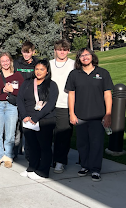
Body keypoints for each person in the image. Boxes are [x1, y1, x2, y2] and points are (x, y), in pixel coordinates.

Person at [66, 48, 113, 182]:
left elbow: (107, 94)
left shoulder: (102, 73)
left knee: (96, 143)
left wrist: (108, 113)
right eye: (82, 55)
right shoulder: (74, 74)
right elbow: (71, 94)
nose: (85, 57)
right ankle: (84, 166)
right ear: (79, 58)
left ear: (92, 56)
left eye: (87, 54)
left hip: (98, 116)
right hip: (80, 116)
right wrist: (72, 113)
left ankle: (95, 169)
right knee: (82, 143)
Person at [17, 59, 58, 180]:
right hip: (28, 120)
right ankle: (32, 168)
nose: (39, 72)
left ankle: (43, 171)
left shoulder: (51, 84)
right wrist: (24, 115)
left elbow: (51, 104)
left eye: (42, 69)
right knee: (32, 146)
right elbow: (20, 99)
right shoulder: (27, 82)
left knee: (44, 146)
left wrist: (36, 117)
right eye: (37, 69)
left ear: (47, 71)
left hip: (45, 120)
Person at [0, 52, 24, 168]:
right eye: (3, 61)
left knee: (10, 133)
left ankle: (8, 155)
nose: (5, 63)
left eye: (7, 60)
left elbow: (22, 92)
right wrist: (2, 90)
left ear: (10, 61)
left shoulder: (17, 75)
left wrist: (12, 90)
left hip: (11, 106)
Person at [50, 39, 75, 173]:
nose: (62, 52)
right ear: (55, 50)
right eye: (59, 49)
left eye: (65, 49)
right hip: (49, 105)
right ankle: (49, 159)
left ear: (68, 51)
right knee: (48, 134)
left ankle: (60, 161)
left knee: (63, 135)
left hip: (65, 105)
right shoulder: (49, 64)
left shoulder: (73, 64)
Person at [13, 41, 38, 159]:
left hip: (31, 99)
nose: (26, 55)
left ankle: (29, 155)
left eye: (28, 52)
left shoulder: (37, 63)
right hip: (17, 97)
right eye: (24, 52)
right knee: (16, 128)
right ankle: (15, 152)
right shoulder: (16, 63)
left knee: (28, 127)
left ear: (33, 52)